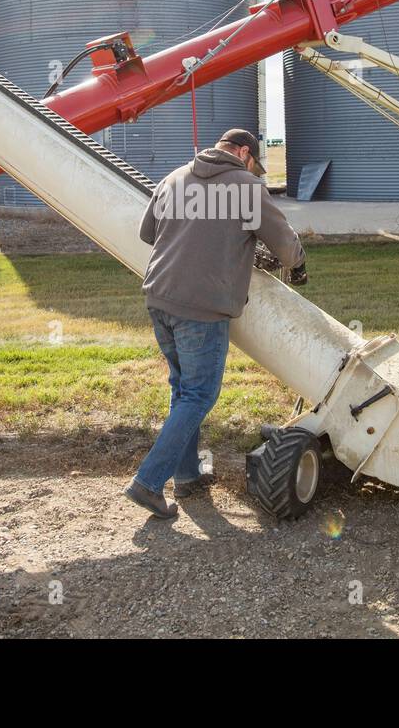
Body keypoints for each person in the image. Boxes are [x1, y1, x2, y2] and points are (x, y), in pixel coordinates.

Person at [125, 129, 306, 519]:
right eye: (254, 163)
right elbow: (286, 248)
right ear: (244, 153)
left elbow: (147, 232)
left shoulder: (174, 178)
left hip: (159, 298)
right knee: (199, 395)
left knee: (183, 390)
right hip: (201, 309)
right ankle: (148, 482)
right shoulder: (247, 187)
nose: (254, 170)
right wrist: (296, 262)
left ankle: (186, 476)